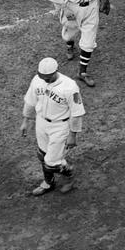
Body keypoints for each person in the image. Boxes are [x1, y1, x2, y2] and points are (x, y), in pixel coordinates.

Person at [46, 0, 112, 88]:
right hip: (73, 9)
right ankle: (69, 45)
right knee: (69, 34)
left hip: (92, 8)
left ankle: (82, 72)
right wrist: (65, 8)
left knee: (89, 41)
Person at [21, 57, 86, 196]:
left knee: (51, 162)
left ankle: (69, 174)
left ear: (56, 71)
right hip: (41, 122)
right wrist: (26, 120)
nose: (45, 80)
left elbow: (77, 112)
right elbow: (30, 101)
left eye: (48, 77)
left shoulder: (70, 86)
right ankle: (48, 183)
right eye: (42, 77)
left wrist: (73, 135)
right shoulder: (37, 80)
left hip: (60, 126)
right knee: (42, 154)